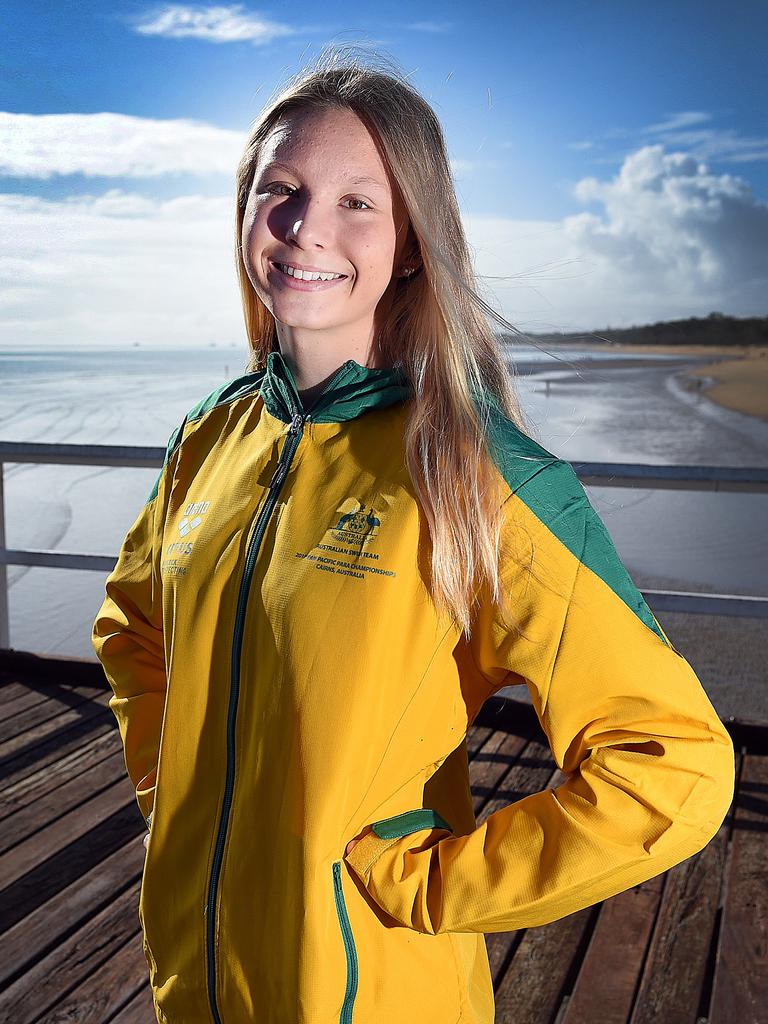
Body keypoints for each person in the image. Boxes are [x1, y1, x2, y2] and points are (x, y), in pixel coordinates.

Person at [91, 45, 735, 1024]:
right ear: (244, 217)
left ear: (414, 241)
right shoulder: (211, 437)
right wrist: (168, 790)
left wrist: (440, 885)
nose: (308, 226)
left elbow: (672, 761)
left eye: (359, 201)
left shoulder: (474, 474)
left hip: (368, 991)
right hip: (196, 976)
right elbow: (133, 627)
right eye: (283, 190)